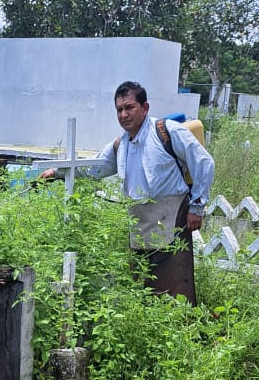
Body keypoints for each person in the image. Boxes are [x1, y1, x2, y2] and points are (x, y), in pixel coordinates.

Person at [41, 81, 214, 304]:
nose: (124, 114)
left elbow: (204, 163)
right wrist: (57, 172)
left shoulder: (166, 131)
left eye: (129, 107)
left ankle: (181, 323)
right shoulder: (120, 145)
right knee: (144, 285)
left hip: (172, 219)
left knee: (175, 287)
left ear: (145, 107)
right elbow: (94, 167)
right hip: (139, 224)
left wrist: (197, 207)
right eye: (119, 109)